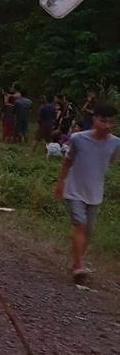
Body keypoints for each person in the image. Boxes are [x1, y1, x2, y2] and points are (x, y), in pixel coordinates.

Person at [54, 103, 120, 282]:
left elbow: (110, 160)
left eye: (110, 122)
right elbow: (67, 161)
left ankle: (76, 262)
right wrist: (61, 182)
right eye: (103, 121)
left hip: (95, 193)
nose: (106, 126)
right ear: (95, 119)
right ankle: (79, 266)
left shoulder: (115, 143)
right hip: (74, 189)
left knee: (87, 231)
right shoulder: (78, 138)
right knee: (80, 225)